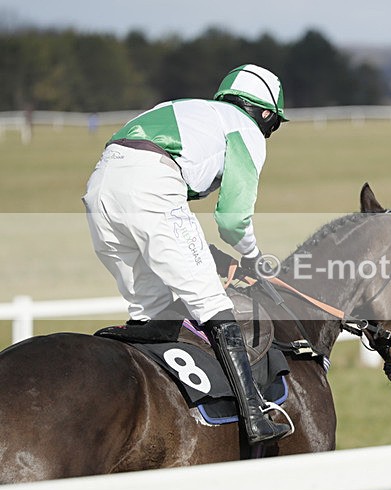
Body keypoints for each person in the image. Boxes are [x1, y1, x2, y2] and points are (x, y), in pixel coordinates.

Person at [82, 64, 290, 444]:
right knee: (210, 300)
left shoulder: (191, 110)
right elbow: (232, 218)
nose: (269, 133)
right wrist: (253, 256)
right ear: (264, 114)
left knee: (151, 311)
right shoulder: (244, 128)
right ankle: (255, 416)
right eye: (273, 125)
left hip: (100, 187)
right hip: (151, 184)